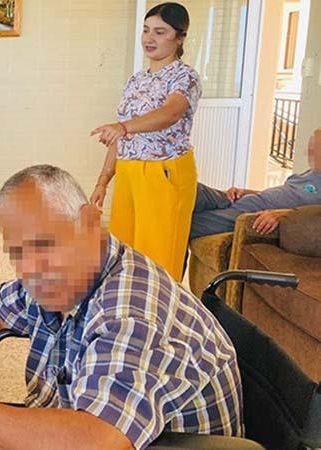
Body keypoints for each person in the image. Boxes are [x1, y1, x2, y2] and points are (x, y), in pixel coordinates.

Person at [0, 165, 243, 450]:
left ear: (91, 224)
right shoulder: (66, 271)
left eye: (44, 245)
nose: (30, 269)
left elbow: (98, 441)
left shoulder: (128, 310)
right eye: (17, 254)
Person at [90, 2, 202, 280]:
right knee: (124, 259)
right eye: (146, 30)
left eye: (160, 32)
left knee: (158, 263)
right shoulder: (137, 79)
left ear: (180, 37)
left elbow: (171, 113)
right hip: (129, 174)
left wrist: (124, 127)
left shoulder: (185, 76)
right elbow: (120, 135)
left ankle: (162, 320)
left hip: (162, 175)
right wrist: (103, 182)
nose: (149, 38)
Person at [190, 125, 321, 239]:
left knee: (181, 223)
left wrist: (285, 214)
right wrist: (245, 192)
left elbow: (315, 214)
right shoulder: (306, 174)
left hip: (248, 215)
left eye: (316, 147)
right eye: (311, 145)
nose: (309, 151)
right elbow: (275, 194)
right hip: (238, 199)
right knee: (187, 189)